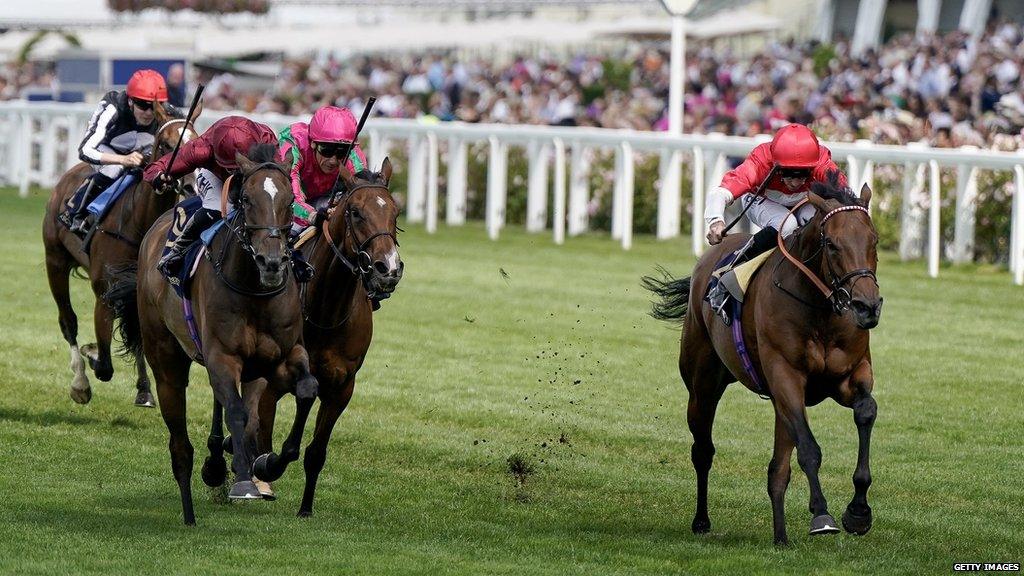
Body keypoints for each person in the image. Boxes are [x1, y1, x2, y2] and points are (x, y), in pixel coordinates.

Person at [704, 123, 848, 319]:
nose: (796, 181)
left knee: (815, 224)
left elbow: (845, 196)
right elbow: (721, 192)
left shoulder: (821, 162)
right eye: (788, 172)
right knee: (788, 226)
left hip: (804, 201)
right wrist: (715, 221)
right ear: (776, 164)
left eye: (803, 173)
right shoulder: (761, 161)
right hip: (761, 199)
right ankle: (727, 274)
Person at [143, 116, 278, 275]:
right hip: (214, 175)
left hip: (255, 173)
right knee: (220, 207)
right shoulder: (201, 148)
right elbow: (159, 166)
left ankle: (293, 254)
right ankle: (178, 250)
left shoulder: (266, 139)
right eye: (231, 168)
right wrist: (158, 176)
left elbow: (278, 176)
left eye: (238, 168)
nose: (236, 172)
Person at [60, 69, 175, 233]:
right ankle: (76, 211)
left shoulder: (167, 112)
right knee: (114, 169)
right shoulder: (112, 107)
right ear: (130, 101)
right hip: (108, 148)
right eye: (143, 105)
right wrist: (123, 159)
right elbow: (85, 150)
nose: (149, 113)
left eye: (155, 107)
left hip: (143, 150)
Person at [277, 105, 368, 235]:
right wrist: (313, 217)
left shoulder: (352, 154)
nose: (333, 160)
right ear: (313, 143)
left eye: (341, 153)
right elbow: (289, 197)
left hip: (326, 198)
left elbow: (364, 194)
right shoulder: (293, 143)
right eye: (327, 151)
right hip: (289, 201)